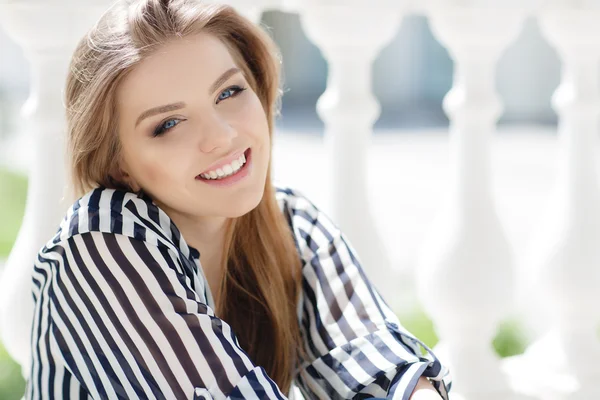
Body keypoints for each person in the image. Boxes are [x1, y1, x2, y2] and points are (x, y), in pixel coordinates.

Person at [25, 0, 451, 398]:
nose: (223, 137)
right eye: (169, 123)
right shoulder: (100, 244)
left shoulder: (291, 224)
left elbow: (379, 366)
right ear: (120, 166)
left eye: (228, 93)